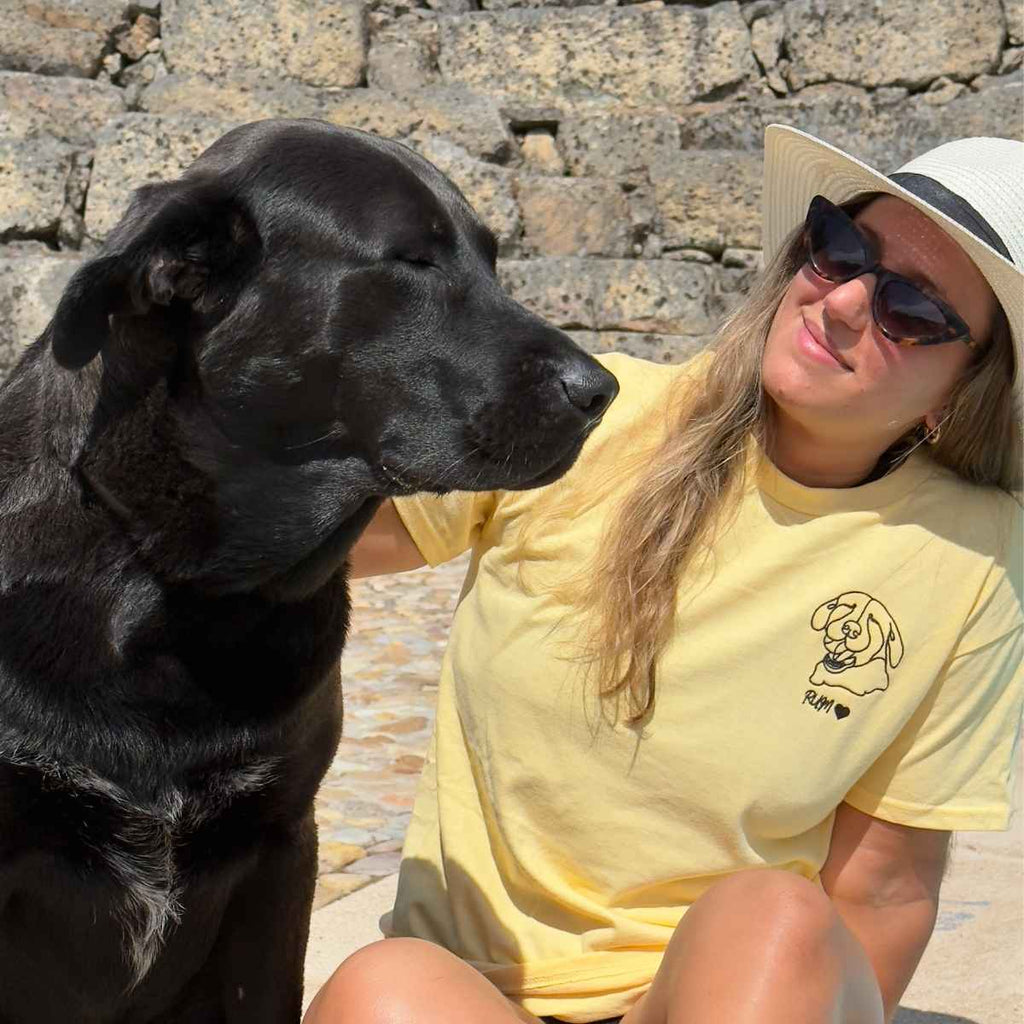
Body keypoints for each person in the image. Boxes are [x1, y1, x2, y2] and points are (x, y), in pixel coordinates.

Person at [303, 125, 1024, 1024]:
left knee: (776, 920)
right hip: (475, 996)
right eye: (840, 251)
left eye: (911, 310)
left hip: (721, 1000)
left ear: (966, 387)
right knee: (383, 992)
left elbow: (883, 888)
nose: (840, 305)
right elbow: (322, 541)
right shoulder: (594, 416)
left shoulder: (970, 557)